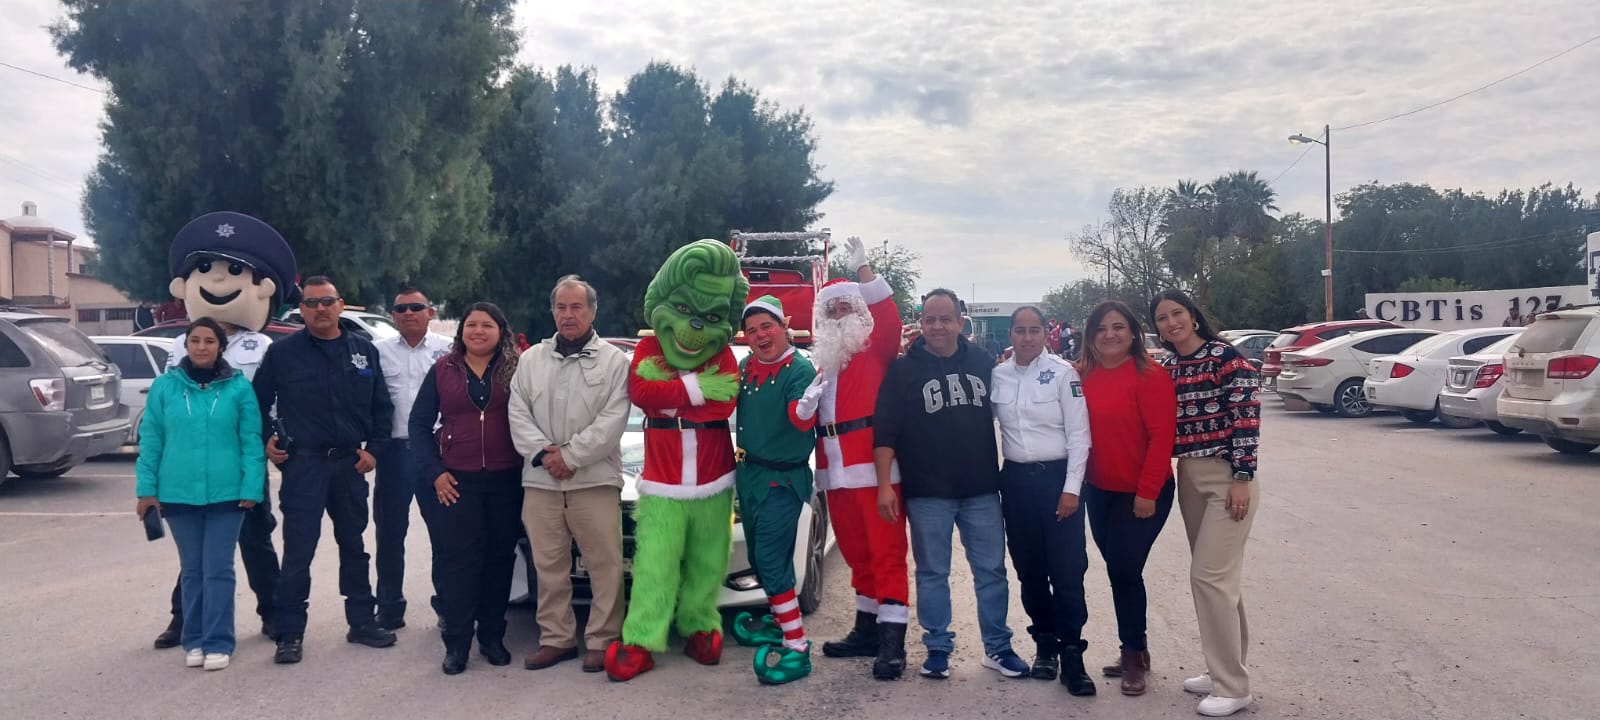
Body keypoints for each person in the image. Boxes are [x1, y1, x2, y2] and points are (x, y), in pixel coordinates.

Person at [152, 211, 296, 650]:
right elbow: (169, 404)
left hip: (244, 456)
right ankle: (184, 619)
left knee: (256, 537)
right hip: (194, 459)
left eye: (234, 271)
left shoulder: (264, 346)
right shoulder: (182, 344)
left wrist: (275, 439)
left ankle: (271, 612)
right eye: (207, 271)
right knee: (198, 549)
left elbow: (274, 400)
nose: (217, 283)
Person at [604, 240, 746, 682]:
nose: (694, 329)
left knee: (708, 560)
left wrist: (676, 397)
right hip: (663, 479)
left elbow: (724, 405)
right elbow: (644, 395)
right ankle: (643, 637)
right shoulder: (648, 350)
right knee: (655, 563)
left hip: (714, 476)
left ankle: (700, 624)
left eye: (709, 318)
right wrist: (697, 391)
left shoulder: (723, 355)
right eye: (684, 309)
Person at [874, 288, 1026, 680]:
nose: (937, 326)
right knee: (931, 573)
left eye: (945, 319)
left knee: (991, 571)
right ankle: (938, 647)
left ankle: (997, 647)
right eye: (930, 319)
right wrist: (884, 485)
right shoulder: (903, 369)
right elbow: (885, 432)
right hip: (927, 492)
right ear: (921, 323)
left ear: (961, 322)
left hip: (980, 489)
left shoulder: (983, 361)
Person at [254, 275, 396, 664]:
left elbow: (382, 408)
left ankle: (362, 622)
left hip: (350, 464)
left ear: (341, 304)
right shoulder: (282, 354)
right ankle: (290, 633)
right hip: (305, 465)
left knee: (354, 546)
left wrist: (376, 451)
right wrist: (267, 437)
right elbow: (258, 402)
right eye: (312, 302)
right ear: (301, 309)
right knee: (299, 552)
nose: (320, 308)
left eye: (327, 301)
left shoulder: (364, 351)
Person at [508, 276, 631, 674]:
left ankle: (602, 639)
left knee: (604, 564)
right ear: (553, 312)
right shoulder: (531, 360)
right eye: (561, 307)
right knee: (549, 566)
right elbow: (518, 413)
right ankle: (556, 639)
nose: (568, 314)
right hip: (541, 482)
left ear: (593, 312)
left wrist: (572, 456)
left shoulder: (614, 362)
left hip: (593, 480)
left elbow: (613, 420)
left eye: (576, 307)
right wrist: (547, 456)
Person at [1152, 289, 1262, 718]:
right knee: (1222, 581)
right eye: (1161, 318)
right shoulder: (1170, 365)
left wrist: (1242, 477)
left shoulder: (1226, 358)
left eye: (1176, 313)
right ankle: (1225, 667)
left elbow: (1247, 419)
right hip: (1190, 476)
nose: (1170, 323)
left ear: (1193, 315)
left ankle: (1233, 686)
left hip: (1227, 476)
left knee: (1208, 576)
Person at [135, 318, 266, 671]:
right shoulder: (165, 387)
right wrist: (146, 490)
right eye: (195, 340)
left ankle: (219, 641)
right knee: (192, 570)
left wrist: (252, 486)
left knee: (219, 569)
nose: (202, 347)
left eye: (210, 341)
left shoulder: (238, 389)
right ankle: (193, 639)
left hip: (227, 496)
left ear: (221, 347)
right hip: (178, 495)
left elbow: (250, 441)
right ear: (186, 345)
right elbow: (151, 440)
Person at [808, 237, 911, 681]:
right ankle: (866, 630)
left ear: (857, 310)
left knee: (886, 554)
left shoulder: (878, 347)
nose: (838, 316)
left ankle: (893, 644)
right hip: (835, 473)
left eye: (845, 307)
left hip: (875, 471)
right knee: (854, 553)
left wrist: (864, 270)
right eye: (831, 310)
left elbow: (889, 315)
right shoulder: (822, 363)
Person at [408, 302, 524, 675]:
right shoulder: (444, 369)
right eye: (471, 325)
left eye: (487, 325)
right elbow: (419, 424)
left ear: (500, 331)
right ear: (461, 332)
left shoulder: (516, 368)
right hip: (456, 482)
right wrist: (435, 473)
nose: (478, 331)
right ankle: (457, 644)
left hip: (507, 479)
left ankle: (491, 637)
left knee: (498, 560)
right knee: (459, 564)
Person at [991, 306, 1095, 693]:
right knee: (1029, 571)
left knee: (1068, 573)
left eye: (1035, 330)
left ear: (1046, 333)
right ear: (1011, 334)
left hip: (1057, 480)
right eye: (1020, 330)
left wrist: (1071, 489)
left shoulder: (1064, 374)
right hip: (1015, 483)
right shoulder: (997, 375)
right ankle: (1045, 645)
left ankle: (1073, 654)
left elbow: (1079, 436)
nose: (1027, 337)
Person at [1077, 301, 1177, 698]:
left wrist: (1147, 492)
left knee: (1123, 568)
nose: (1109, 334)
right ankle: (1139, 646)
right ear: (1090, 335)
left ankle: (1133, 653)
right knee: (1118, 567)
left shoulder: (1150, 376)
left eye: (1118, 327)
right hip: (1099, 491)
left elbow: (1161, 439)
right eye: (1101, 328)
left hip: (1143, 494)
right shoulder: (1083, 374)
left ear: (1133, 333)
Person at [727, 295, 821, 685]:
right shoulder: (747, 365)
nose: (761, 335)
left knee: (769, 556)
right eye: (752, 330)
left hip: (781, 480)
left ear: (784, 326)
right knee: (758, 554)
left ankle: (797, 647)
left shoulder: (798, 369)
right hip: (748, 474)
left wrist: (804, 410)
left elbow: (801, 422)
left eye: (767, 326)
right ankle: (779, 622)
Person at [373, 284, 454, 630]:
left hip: (436, 455)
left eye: (416, 308)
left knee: (444, 533)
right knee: (390, 534)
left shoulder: (448, 350)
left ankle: (448, 605)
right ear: (392, 315)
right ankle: (390, 608)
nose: (408, 314)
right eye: (401, 309)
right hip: (393, 453)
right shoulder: (377, 351)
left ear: (430, 312)